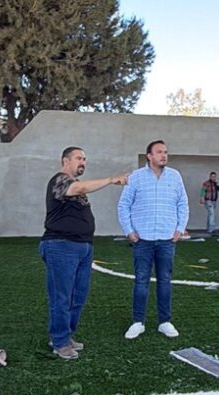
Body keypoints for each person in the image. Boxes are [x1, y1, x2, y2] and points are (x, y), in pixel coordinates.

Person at [41, 146, 127, 360]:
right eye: (79, 158)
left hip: (83, 247)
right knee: (62, 297)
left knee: (77, 296)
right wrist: (110, 180)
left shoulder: (76, 185)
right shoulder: (59, 180)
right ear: (65, 160)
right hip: (61, 246)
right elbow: (78, 189)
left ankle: (65, 335)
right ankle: (59, 342)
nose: (83, 162)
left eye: (85, 159)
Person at [117, 140, 188, 340]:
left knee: (164, 280)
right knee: (141, 281)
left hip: (167, 239)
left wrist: (179, 229)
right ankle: (138, 322)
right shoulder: (136, 177)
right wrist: (129, 231)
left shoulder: (175, 177)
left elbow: (183, 203)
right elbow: (123, 205)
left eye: (165, 152)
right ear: (149, 156)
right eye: (159, 152)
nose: (163, 155)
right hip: (142, 240)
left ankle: (164, 321)